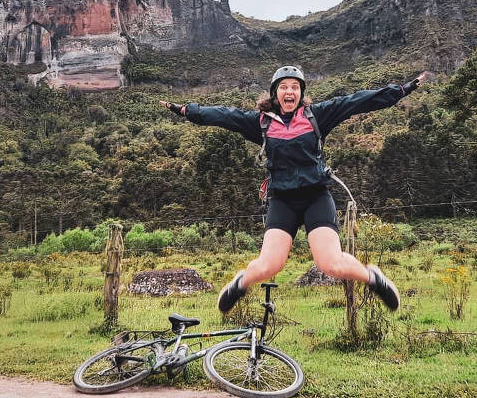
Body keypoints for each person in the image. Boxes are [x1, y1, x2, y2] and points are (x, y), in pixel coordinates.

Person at [160, 66, 426, 313]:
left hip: (315, 197)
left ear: (301, 93)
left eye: (295, 87)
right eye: (284, 87)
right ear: (275, 93)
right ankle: (240, 283)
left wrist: (401, 90)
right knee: (269, 265)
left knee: (330, 263)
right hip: (282, 200)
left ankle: (373, 278)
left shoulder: (316, 116)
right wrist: (186, 110)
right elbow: (223, 116)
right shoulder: (262, 123)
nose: (289, 92)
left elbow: (358, 101)